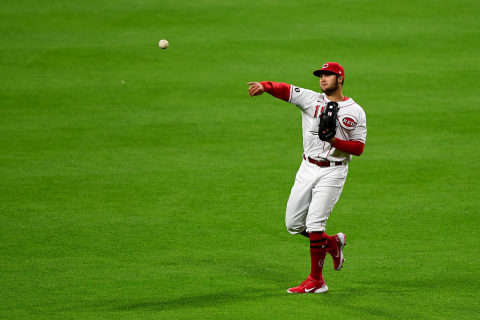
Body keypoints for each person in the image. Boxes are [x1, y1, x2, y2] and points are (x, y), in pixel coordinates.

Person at [247, 62, 367, 293]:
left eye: (328, 75)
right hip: (307, 167)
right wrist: (265, 86)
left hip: (333, 170)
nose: (322, 79)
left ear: (340, 79)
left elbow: (359, 148)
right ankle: (332, 243)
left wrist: (333, 141)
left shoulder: (356, 111)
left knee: (314, 225)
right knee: (293, 225)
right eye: (320, 75)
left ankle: (317, 281)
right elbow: (286, 90)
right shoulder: (312, 99)